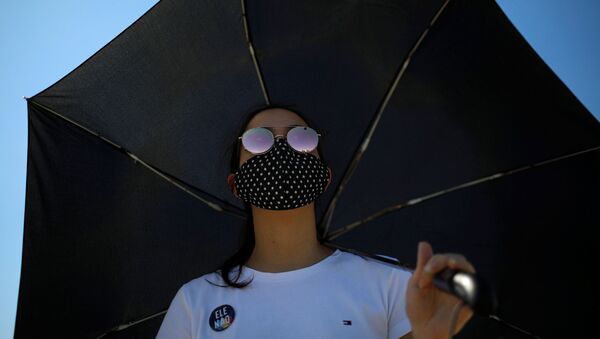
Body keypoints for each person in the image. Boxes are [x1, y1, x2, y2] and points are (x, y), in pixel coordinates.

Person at [156, 105, 476, 339]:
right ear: (236, 184)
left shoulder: (391, 281)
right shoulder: (196, 301)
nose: (281, 148)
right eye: (257, 140)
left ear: (324, 178)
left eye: (301, 138)